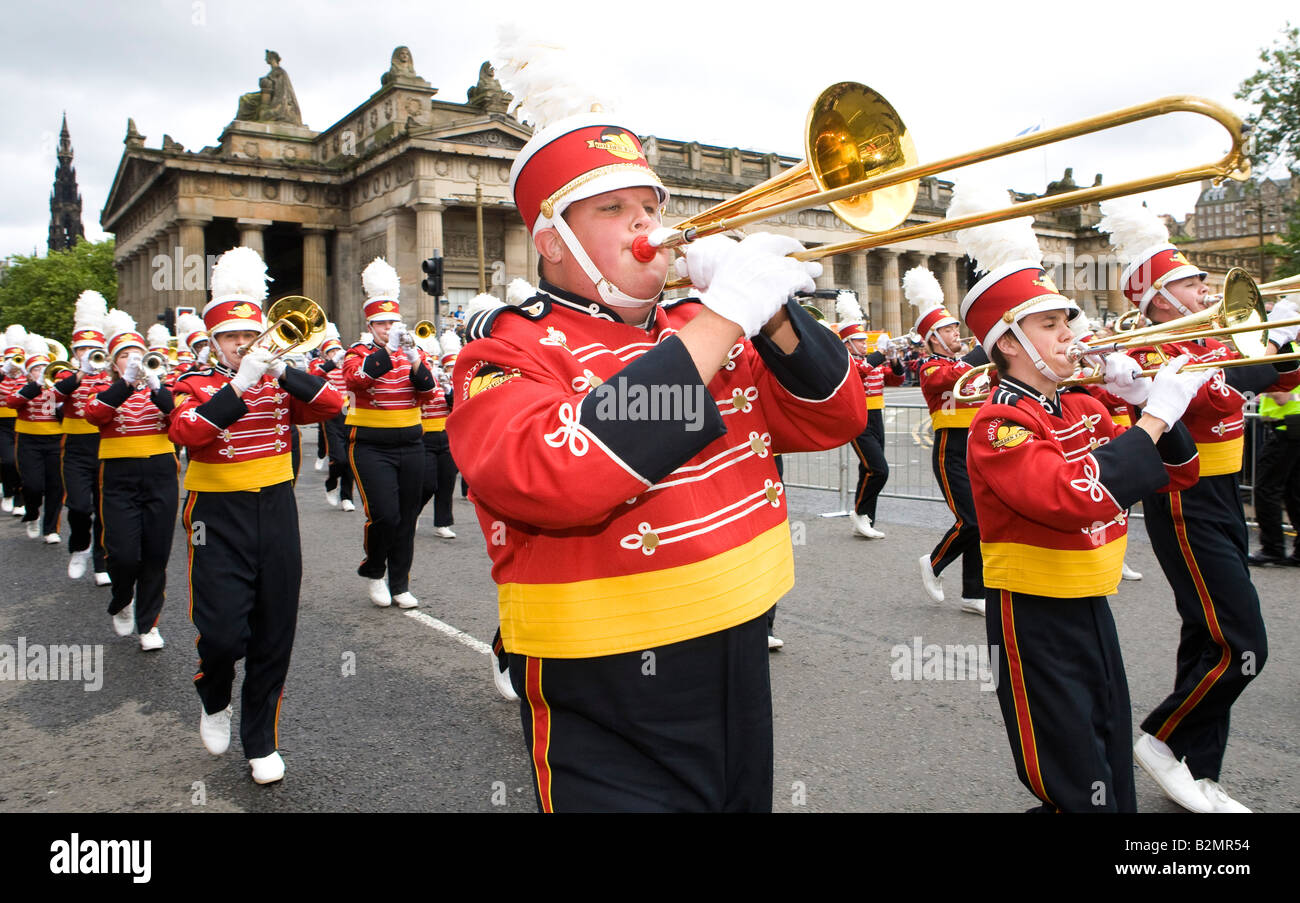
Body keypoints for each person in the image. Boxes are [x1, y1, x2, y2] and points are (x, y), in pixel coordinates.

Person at [446, 109, 866, 812]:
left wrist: (772, 314)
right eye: (613, 209)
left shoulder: (699, 331)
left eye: (650, 206)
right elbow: (556, 473)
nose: (647, 226)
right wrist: (727, 313)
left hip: (738, 646)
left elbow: (836, 414)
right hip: (604, 676)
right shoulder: (506, 349)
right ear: (552, 240)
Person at [954, 196, 1208, 811]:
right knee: (1068, 766)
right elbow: (1071, 498)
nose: (1072, 334)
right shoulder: (999, 423)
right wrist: (1149, 422)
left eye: (1068, 320)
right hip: (1034, 610)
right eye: (1051, 325)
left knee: (1108, 744)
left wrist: (1147, 398)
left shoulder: (1083, 406)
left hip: (1090, 600)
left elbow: (1179, 474)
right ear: (1009, 343)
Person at [1100, 200, 1300, 812]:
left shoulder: (1210, 339)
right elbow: (1221, 392)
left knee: (1207, 632)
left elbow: (1278, 379)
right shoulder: (1155, 352)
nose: (1204, 287)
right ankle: (1162, 737)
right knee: (1243, 644)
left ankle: (1197, 768)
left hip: (1217, 496)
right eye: (1189, 282)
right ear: (1159, 297)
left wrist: (1286, 339)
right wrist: (1264, 353)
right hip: (1186, 498)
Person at [169, 247, 344, 784]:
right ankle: (214, 695)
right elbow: (187, 433)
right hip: (216, 513)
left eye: (250, 336)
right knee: (222, 631)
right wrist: (240, 383)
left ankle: (261, 739)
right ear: (213, 341)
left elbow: (331, 406)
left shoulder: (279, 378)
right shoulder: (195, 382)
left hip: (275, 508)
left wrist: (286, 369)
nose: (242, 346)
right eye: (230, 338)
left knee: (275, 627)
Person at [343, 258, 438, 609]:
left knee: (407, 517)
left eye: (392, 322)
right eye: (382, 323)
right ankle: (374, 569)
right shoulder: (359, 352)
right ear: (371, 325)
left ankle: (400, 583)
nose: (388, 328)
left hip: (412, 443)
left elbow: (429, 393)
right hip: (370, 445)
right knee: (385, 514)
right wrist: (386, 351)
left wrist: (413, 358)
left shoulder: (412, 352)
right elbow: (355, 380)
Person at [83, 310, 178, 650]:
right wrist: (126, 383)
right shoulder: (103, 388)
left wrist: (154, 385)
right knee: (122, 553)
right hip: (119, 475)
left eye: (137, 355)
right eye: (124, 356)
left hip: (160, 472)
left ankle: (148, 624)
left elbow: (177, 416)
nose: (133, 360)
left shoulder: (164, 386)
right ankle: (122, 597)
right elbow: (94, 414)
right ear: (113, 363)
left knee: (156, 553)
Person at [909, 269, 988, 614]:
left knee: (982, 521)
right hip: (950, 448)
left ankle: (974, 593)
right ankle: (935, 562)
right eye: (948, 329)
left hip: (977, 445)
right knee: (969, 520)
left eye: (956, 327)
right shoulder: (929, 365)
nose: (957, 332)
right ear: (932, 338)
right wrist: (987, 350)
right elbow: (950, 377)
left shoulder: (968, 364)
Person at [53, 290, 113, 583]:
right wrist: (80, 374)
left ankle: (101, 562)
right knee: (79, 505)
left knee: (103, 507)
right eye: (81, 349)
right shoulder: (65, 376)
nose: (87, 354)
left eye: (93, 349)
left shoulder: (111, 377)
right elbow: (52, 398)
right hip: (75, 447)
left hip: (104, 446)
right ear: (74, 351)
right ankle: (80, 546)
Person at [836, 291, 902, 539]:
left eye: (865, 341)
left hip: (876, 415)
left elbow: (896, 380)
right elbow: (858, 374)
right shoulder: (845, 361)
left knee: (868, 469)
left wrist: (894, 359)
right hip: (857, 418)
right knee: (879, 469)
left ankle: (866, 518)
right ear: (848, 344)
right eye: (860, 341)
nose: (866, 345)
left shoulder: (868, 360)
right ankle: (860, 512)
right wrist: (878, 355)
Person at [7, 333, 64, 543]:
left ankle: (51, 529)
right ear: (29, 373)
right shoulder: (23, 386)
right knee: (32, 485)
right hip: (28, 440)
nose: (41, 372)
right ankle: (32, 513)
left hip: (55, 441)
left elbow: (63, 413)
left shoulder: (54, 389)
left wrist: (58, 401)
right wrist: (36, 385)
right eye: (36, 369)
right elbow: (12, 402)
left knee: (56, 486)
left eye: (43, 368)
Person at [1248, 379, 1300, 566]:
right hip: (1294, 426)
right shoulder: (1294, 353)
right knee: (1293, 492)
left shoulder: (1282, 357)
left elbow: (1281, 397)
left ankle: (1272, 548)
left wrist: (1260, 382)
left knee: (1266, 490)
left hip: (1285, 428)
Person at [307, 324, 356, 511]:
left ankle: (347, 497)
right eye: (331, 351)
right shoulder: (321, 367)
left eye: (337, 350)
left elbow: (356, 387)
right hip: (331, 414)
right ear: (325, 354)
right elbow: (312, 378)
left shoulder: (348, 366)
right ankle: (332, 483)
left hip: (350, 412)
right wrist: (331, 364)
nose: (335, 353)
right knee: (339, 457)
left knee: (350, 459)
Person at [1, 325, 28, 516]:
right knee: (8, 461)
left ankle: (20, 498)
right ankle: (9, 491)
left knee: (21, 463)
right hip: (2, 422)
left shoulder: (29, 375)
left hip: (22, 423)